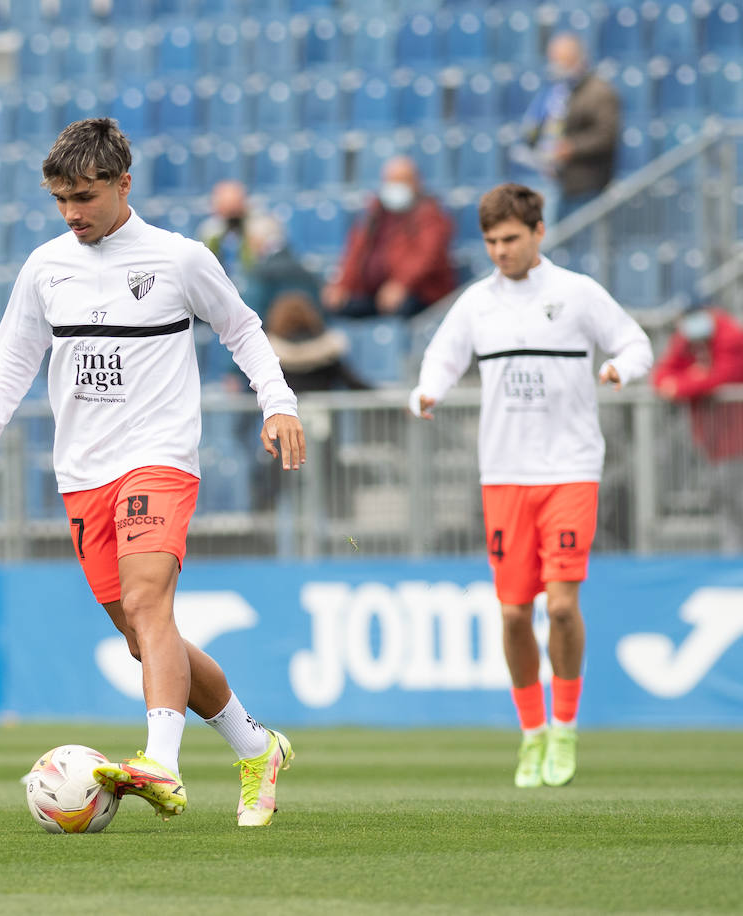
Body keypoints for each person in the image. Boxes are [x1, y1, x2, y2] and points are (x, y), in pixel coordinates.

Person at [0, 119, 305, 826]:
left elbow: (242, 329)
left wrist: (278, 405)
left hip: (158, 457)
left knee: (148, 605)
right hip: (82, 473)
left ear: (122, 184)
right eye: (60, 200)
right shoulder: (46, 268)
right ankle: (257, 746)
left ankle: (160, 764)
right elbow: (12, 361)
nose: (73, 212)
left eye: (84, 195)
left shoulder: (179, 259)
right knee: (142, 635)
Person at [406, 183, 652, 789]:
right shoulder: (477, 303)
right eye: (490, 241)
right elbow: (443, 356)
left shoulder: (576, 294)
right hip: (505, 476)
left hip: (569, 469)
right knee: (514, 613)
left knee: (562, 605)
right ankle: (532, 733)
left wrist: (622, 367)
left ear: (539, 232)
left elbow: (636, 341)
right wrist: (428, 389)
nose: (500, 251)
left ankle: (565, 728)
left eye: (511, 238)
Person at [652, 302, 743, 552]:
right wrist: (694, 376)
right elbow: (661, 374)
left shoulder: (732, 336)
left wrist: (682, 384)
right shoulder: (690, 336)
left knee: (724, 490)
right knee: (722, 495)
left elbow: (720, 378)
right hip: (715, 437)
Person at [321, 156, 456, 320]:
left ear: (416, 182)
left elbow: (426, 257)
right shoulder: (375, 214)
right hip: (375, 294)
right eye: (391, 181)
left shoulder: (430, 215)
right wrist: (342, 285)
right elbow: (356, 253)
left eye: (402, 181)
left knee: (402, 308)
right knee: (337, 306)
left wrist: (401, 284)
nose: (395, 187)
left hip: (419, 294)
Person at [519, 33, 621, 223]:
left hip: (588, 185)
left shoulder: (600, 91)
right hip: (560, 182)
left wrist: (571, 147)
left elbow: (607, 135)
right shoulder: (556, 91)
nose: (555, 65)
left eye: (560, 59)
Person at [265, 290, 370, 393]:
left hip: (285, 410)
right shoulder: (328, 351)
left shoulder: (269, 355)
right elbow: (353, 383)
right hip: (322, 409)